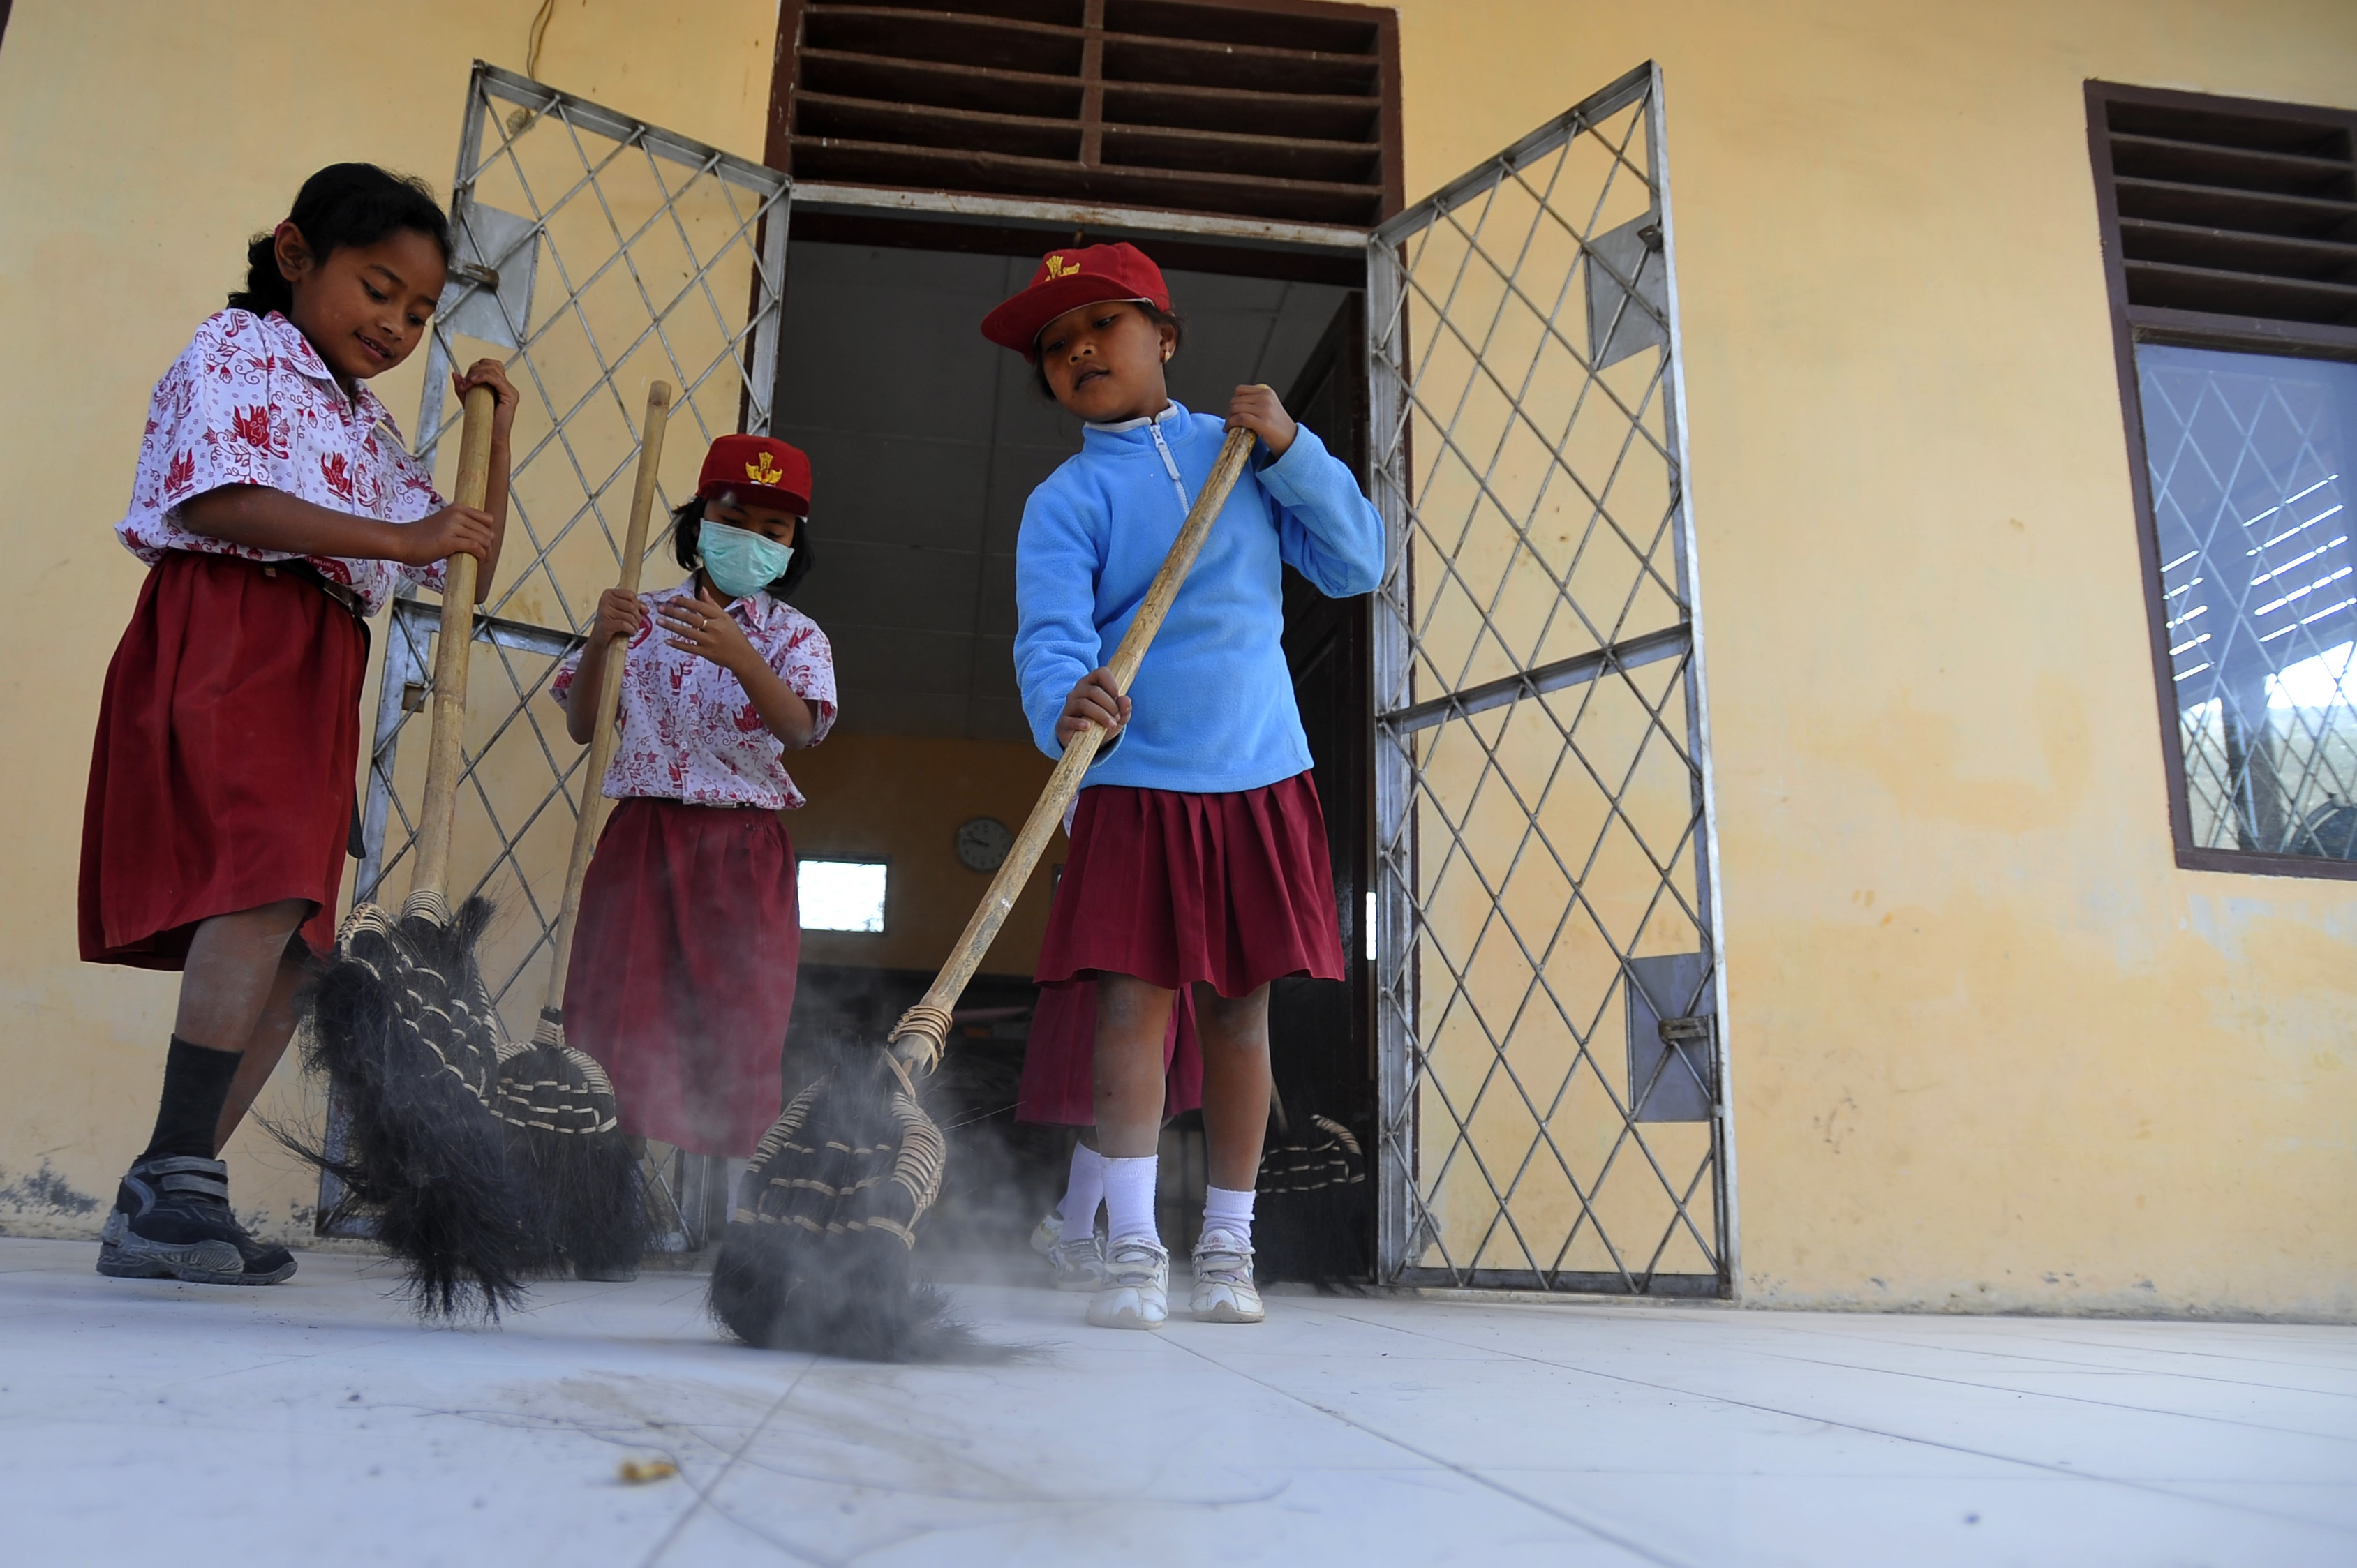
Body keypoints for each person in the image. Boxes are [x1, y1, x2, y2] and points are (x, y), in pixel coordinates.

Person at [82, 163, 518, 1286]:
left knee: (297, 943)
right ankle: (178, 1176)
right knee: (265, 885)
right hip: (237, 625)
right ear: (294, 255)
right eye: (378, 289)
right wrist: (406, 543)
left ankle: (164, 1193)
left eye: (419, 312)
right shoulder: (236, 351)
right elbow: (216, 499)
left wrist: (495, 434)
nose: (397, 324)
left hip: (321, 651)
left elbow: (457, 546)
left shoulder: (356, 418)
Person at [982, 243, 1384, 1328]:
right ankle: (1130, 1250)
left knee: (1240, 1020)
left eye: (1098, 328)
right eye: (1055, 350)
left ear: (1163, 334)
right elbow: (1051, 639)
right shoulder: (1064, 500)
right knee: (1128, 1013)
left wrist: (1294, 448)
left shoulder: (1242, 454)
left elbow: (1356, 562)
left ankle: (1225, 1246)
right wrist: (1065, 705)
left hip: (1258, 773)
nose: (1076, 354)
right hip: (1137, 783)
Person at [552, 435, 835, 1170]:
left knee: (738, 1022)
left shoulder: (796, 637)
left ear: (793, 545)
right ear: (698, 521)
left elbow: (801, 731)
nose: (751, 540)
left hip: (743, 850)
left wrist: (741, 655)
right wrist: (597, 643)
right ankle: (601, 1200)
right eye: (735, 518)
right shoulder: (636, 618)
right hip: (641, 838)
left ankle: (735, 1217)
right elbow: (585, 727)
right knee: (615, 1012)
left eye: (773, 531)